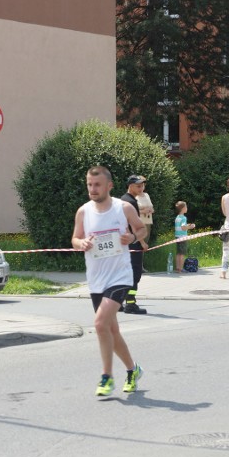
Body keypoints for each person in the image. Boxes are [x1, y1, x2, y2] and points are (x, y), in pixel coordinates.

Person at [72, 166, 145, 396]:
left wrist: (132, 237)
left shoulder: (122, 208)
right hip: (96, 279)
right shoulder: (83, 212)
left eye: (97, 185)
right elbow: (75, 237)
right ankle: (133, 369)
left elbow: (142, 230)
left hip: (120, 276)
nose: (93, 189)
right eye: (89, 185)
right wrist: (80, 244)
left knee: (100, 324)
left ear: (109, 186)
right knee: (111, 331)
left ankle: (106, 377)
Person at [120, 175, 149, 314]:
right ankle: (131, 304)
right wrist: (142, 242)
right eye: (138, 185)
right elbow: (134, 225)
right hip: (132, 243)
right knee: (134, 274)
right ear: (130, 186)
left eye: (142, 185)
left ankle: (118, 303)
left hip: (124, 243)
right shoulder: (131, 202)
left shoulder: (123, 199)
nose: (141, 188)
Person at [173, 201, 195, 273]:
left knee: (178, 253)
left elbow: (180, 226)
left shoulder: (177, 217)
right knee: (182, 253)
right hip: (183, 237)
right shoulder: (183, 218)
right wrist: (190, 227)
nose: (187, 208)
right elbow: (183, 227)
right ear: (183, 208)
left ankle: (177, 268)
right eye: (186, 207)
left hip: (177, 237)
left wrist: (187, 225)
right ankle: (181, 268)